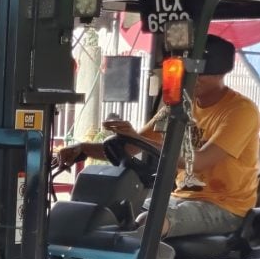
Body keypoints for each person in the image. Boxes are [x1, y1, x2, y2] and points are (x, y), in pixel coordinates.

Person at [59, 35, 259, 238]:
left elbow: (198, 162)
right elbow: (131, 146)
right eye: (189, 73)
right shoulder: (180, 105)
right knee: (109, 212)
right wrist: (82, 148)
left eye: (201, 74)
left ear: (221, 73)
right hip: (180, 197)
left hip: (225, 207)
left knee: (148, 222)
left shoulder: (241, 111)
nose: (194, 79)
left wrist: (136, 137)